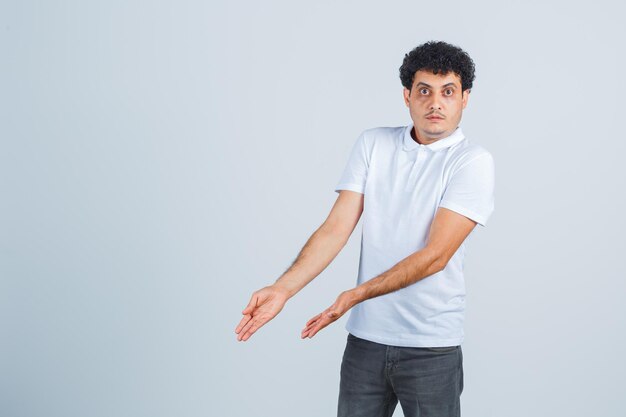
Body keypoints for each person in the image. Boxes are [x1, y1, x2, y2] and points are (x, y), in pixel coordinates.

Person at [235, 40, 495, 417]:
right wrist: (283, 288)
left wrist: (355, 295)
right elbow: (335, 228)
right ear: (407, 96)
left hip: (431, 347)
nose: (435, 103)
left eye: (448, 92)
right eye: (424, 91)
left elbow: (436, 256)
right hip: (366, 344)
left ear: (465, 98)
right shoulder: (373, 143)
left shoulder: (472, 161)